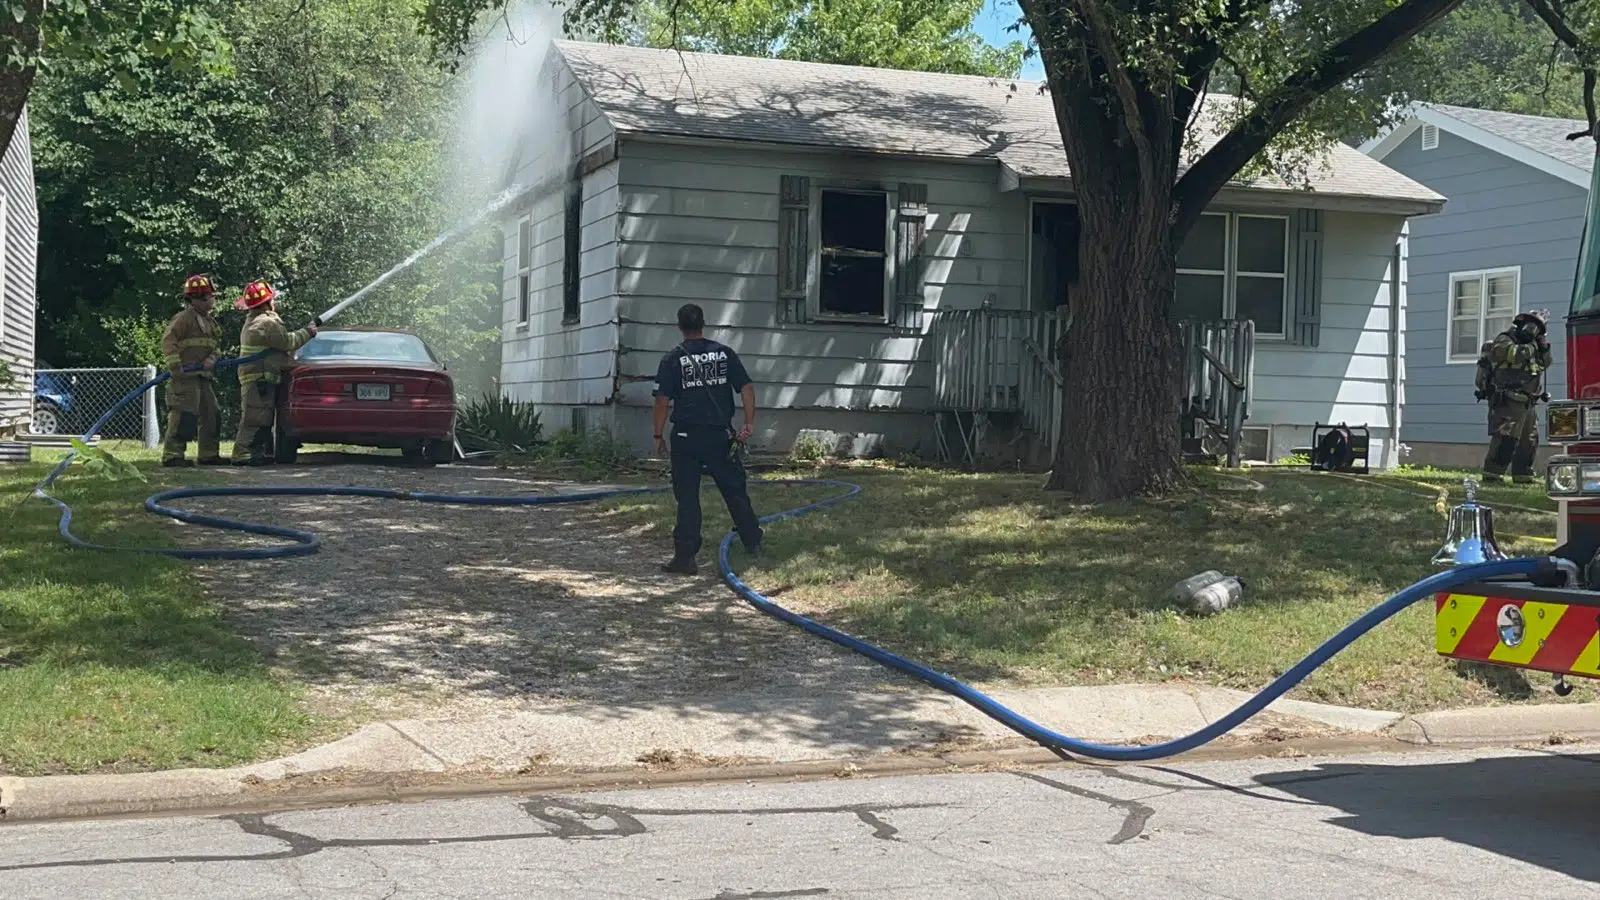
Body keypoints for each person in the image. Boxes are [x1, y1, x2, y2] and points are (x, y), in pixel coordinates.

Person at [652, 302, 762, 575]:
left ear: (680, 326)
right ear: (702, 324)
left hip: (686, 437)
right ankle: (752, 542)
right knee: (734, 489)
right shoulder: (724, 354)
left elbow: (662, 401)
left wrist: (658, 434)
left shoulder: (672, 359)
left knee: (687, 496)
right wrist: (748, 422)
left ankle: (685, 556)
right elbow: (746, 387)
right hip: (718, 435)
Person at [231, 279, 317, 466]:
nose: (275, 302)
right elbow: (288, 341)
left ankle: (255, 453)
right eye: (273, 299)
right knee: (254, 418)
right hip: (259, 378)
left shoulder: (257, 320)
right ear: (267, 303)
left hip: (259, 377)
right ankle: (242, 453)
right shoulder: (266, 323)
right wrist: (308, 332)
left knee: (261, 417)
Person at [159, 274, 226, 467]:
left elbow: (215, 346)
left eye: (211, 296)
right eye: (206, 297)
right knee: (183, 415)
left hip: (203, 377)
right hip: (185, 376)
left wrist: (213, 357)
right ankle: (173, 455)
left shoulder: (211, 322)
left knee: (212, 414)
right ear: (193, 300)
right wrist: (175, 365)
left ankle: (208, 454)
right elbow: (168, 341)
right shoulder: (183, 319)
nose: (210, 301)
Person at [1482, 308, 1553, 484]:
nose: (1532, 330)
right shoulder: (1505, 339)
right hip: (1509, 398)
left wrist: (1544, 348)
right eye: (1530, 325)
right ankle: (1493, 474)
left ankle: (1523, 474)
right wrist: (1530, 346)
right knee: (1506, 437)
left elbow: (1546, 363)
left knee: (1529, 440)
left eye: (1537, 327)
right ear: (1521, 323)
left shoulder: (1535, 345)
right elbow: (1508, 354)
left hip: (1528, 401)